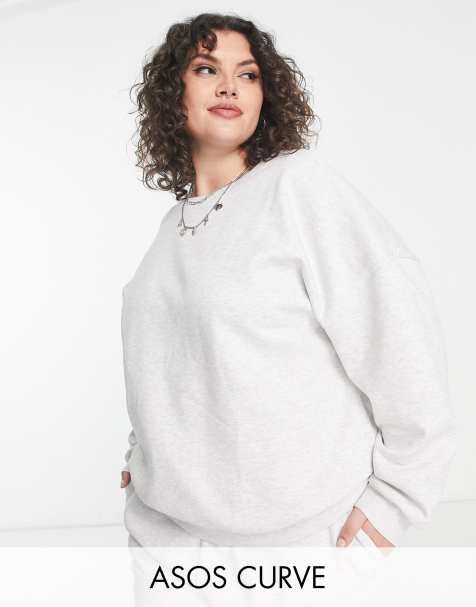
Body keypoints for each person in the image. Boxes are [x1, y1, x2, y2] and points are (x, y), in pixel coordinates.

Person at [119, 13, 457, 548]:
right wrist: (146, 454)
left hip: (299, 542)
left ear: (266, 96)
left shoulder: (297, 188)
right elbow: (171, 367)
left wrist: (396, 502)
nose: (229, 86)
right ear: (171, 92)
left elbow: (399, 338)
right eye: (206, 69)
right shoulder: (172, 226)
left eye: (248, 74)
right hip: (166, 540)